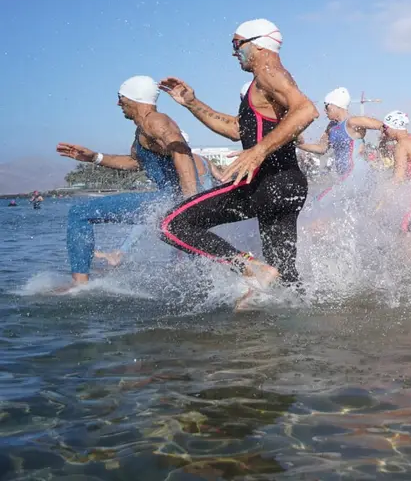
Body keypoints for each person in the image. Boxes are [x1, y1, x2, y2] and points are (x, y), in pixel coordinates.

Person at [159, 19, 319, 293]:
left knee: (172, 225)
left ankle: (247, 266)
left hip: (264, 184)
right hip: (288, 185)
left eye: (237, 44)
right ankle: (296, 318)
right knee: (284, 276)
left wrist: (258, 151)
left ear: (257, 44)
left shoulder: (269, 70)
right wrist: (192, 103)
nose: (235, 53)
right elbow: (236, 129)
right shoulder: (262, 84)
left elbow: (306, 110)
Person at [56, 76, 200, 286]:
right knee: (196, 248)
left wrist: (191, 201)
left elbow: (181, 151)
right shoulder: (143, 128)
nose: (118, 103)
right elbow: (135, 162)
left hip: (171, 198)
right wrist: (94, 157)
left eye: (121, 98)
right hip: (169, 199)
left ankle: (79, 285)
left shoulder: (155, 120)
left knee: (79, 214)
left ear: (135, 98)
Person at [296, 87, 383, 198]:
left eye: (326, 106)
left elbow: (382, 126)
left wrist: (384, 142)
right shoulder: (331, 127)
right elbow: (321, 148)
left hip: (356, 173)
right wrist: (299, 145)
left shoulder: (352, 122)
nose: (324, 111)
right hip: (346, 176)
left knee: (320, 204)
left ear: (336, 106)